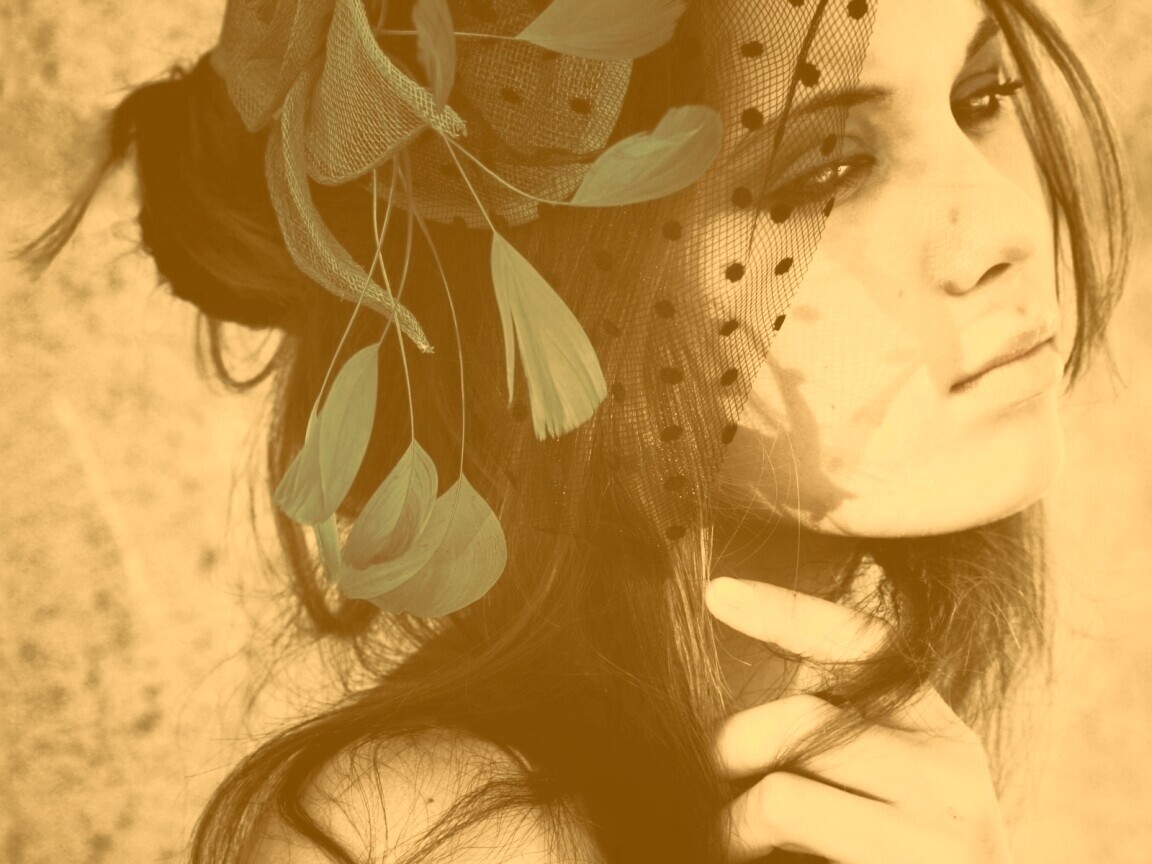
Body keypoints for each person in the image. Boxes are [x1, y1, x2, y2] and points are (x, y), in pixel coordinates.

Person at [16, 0, 1129, 862]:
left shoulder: (879, 761)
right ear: (570, 288)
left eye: (984, 94)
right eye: (825, 169)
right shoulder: (442, 836)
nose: (1003, 227)